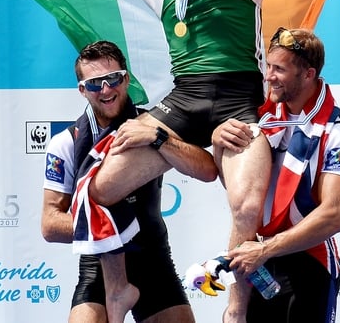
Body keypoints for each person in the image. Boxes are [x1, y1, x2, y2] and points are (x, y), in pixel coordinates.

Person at [0, 0, 340, 321]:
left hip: (238, 102)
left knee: (246, 206)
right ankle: (117, 291)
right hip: (184, 101)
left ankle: (235, 308)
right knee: (100, 188)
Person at [41, 41, 216, 323]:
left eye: (113, 79)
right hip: (99, 263)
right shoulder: (67, 143)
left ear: (126, 78)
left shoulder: (152, 124)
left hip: (153, 259)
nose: (107, 90)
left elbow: (207, 169)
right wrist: (111, 222)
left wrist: (158, 139)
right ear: (82, 90)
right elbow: (50, 225)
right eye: (96, 83)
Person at [212, 28, 340, 322]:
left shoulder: (336, 133)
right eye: (268, 66)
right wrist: (217, 142)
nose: (268, 76)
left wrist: (266, 249)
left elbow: (334, 215)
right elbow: (235, 187)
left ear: (308, 74)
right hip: (260, 259)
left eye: (279, 69)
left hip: (309, 260)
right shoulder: (262, 118)